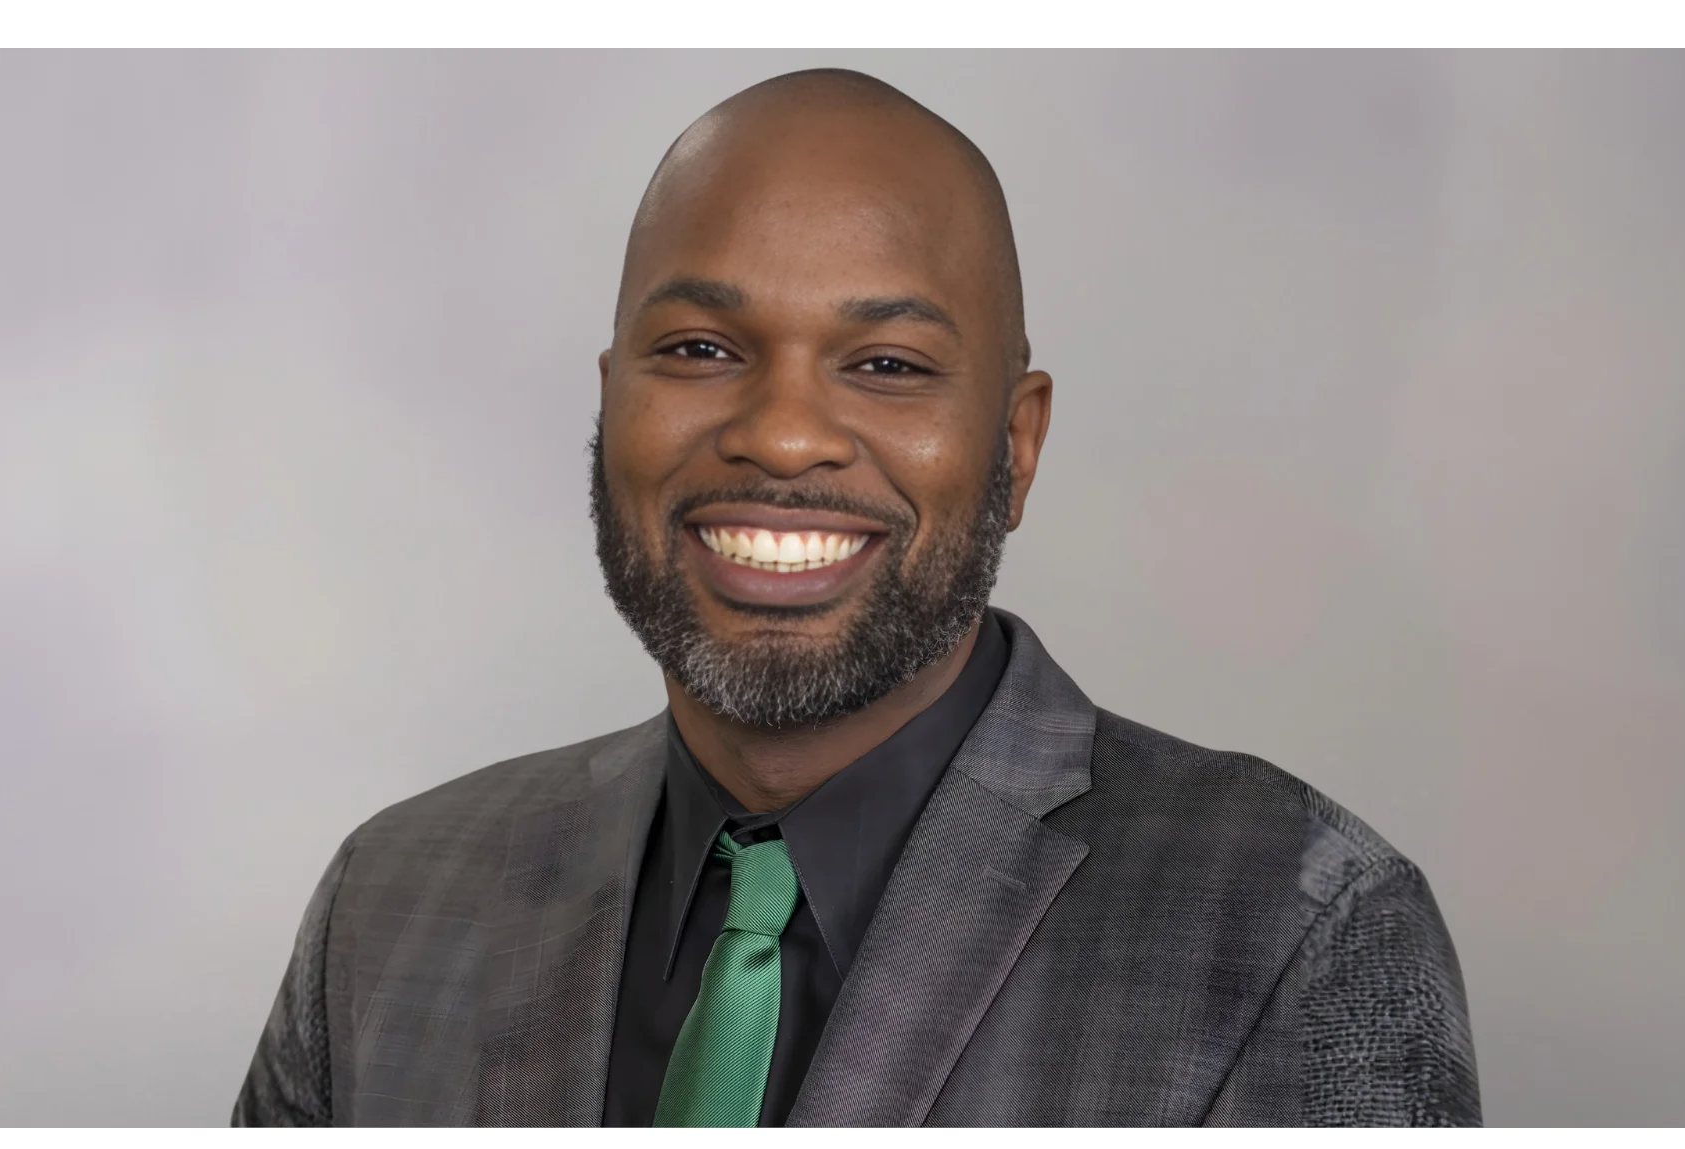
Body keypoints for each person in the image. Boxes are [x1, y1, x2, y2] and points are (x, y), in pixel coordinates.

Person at [231, 68, 1480, 1128]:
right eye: (701, 351)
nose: (780, 437)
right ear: (613, 400)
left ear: (1017, 444)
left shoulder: (1290, 927)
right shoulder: (388, 904)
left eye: (887, 365)